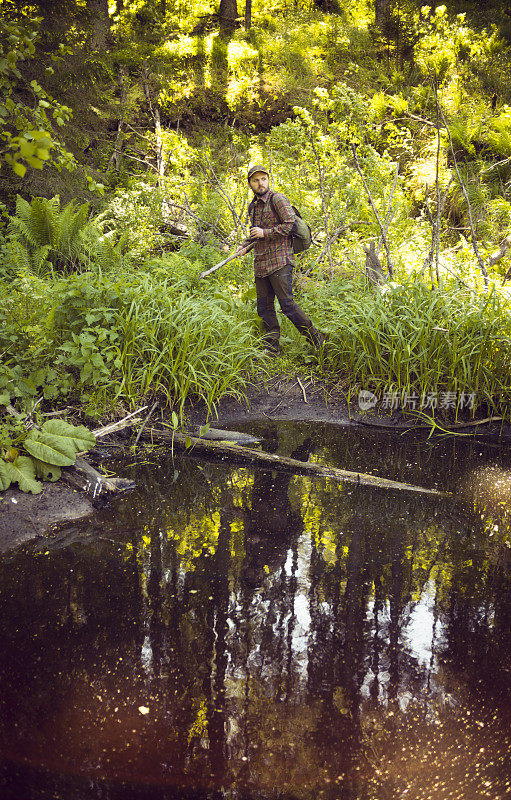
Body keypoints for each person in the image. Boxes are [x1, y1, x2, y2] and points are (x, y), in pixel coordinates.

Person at [244, 165, 326, 355]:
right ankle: (272, 348)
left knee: (287, 305)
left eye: (263, 179)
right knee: (264, 307)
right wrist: (244, 245)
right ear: (250, 184)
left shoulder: (278, 199)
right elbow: (255, 234)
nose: (260, 183)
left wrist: (265, 232)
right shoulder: (252, 207)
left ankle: (318, 340)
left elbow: (289, 225)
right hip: (261, 263)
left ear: (268, 180)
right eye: (255, 180)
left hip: (280, 260)